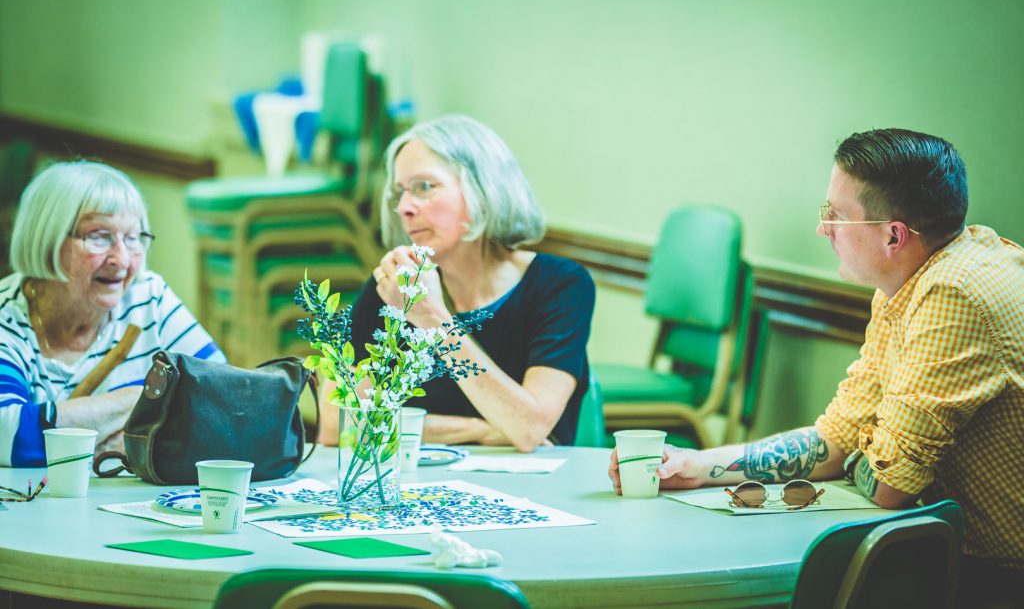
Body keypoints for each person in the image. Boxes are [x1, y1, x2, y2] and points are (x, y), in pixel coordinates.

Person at [608, 129, 1023, 602]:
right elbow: (839, 437)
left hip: (998, 577)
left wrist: (859, 455)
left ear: (894, 235)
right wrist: (697, 465)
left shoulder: (953, 294)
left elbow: (890, 486)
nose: (823, 229)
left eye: (836, 216)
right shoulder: (923, 274)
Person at [317, 114, 594, 452]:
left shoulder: (560, 285)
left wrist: (434, 320)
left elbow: (528, 428)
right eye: (400, 192)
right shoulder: (392, 289)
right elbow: (335, 424)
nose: (403, 207)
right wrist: (478, 430)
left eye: (424, 187)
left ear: (483, 190)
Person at [0, 161, 225, 467]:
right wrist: (138, 402)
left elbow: (221, 399)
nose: (121, 259)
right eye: (99, 236)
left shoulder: (148, 298)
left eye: (133, 238)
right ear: (47, 238)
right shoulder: (7, 318)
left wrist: (117, 441)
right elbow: (8, 434)